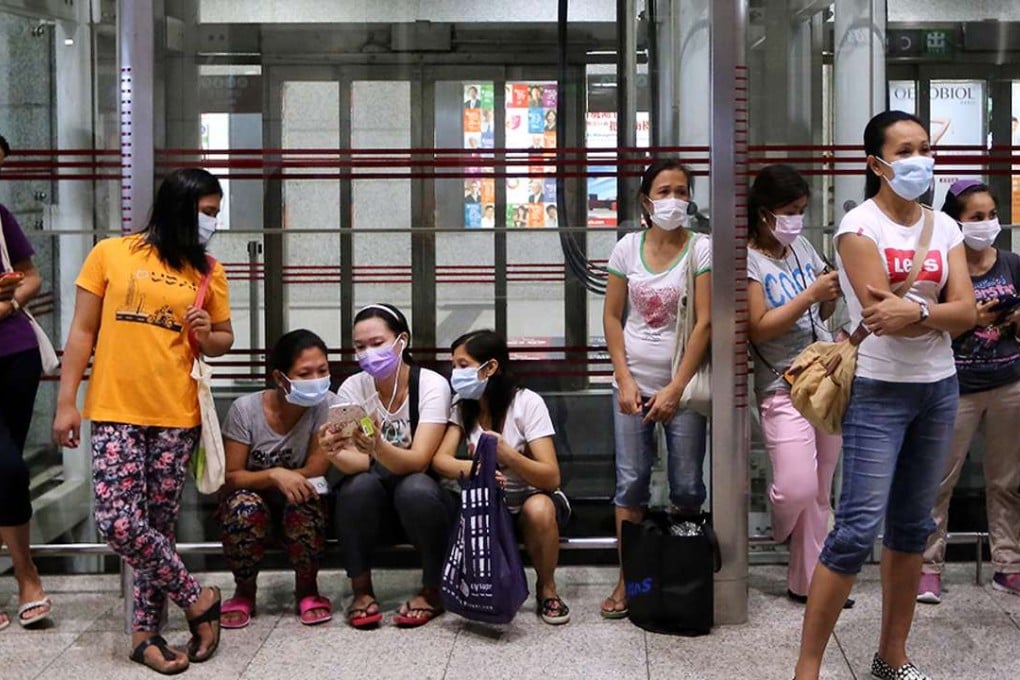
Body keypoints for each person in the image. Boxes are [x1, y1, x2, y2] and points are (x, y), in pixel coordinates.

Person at [794, 111, 975, 680]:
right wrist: (933, 313)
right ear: (876, 163)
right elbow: (880, 316)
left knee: (912, 527)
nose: (919, 159)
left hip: (938, 389)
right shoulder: (858, 226)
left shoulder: (945, 228)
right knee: (855, 527)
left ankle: (890, 657)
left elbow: (965, 313)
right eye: (905, 150)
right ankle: (808, 667)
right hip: (877, 388)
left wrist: (920, 310)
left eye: (924, 147)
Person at [53, 168, 234, 675]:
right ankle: (199, 598)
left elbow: (224, 338)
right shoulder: (112, 253)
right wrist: (68, 401)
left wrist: (205, 332)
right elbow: (83, 332)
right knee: (118, 523)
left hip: (176, 412)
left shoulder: (208, 271)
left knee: (156, 527)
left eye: (215, 215)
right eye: (207, 213)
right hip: (114, 408)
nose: (212, 225)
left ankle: (144, 634)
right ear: (179, 207)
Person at [600, 159, 711, 619]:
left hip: (680, 390)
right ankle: (631, 579)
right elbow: (611, 316)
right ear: (646, 201)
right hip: (630, 387)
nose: (674, 200)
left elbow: (706, 322)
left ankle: (682, 575)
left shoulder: (702, 249)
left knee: (687, 488)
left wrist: (675, 388)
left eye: (681, 191)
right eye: (664, 192)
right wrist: (625, 380)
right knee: (631, 485)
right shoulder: (627, 248)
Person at [746, 164, 850, 608]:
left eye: (802, 211)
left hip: (825, 378)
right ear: (765, 213)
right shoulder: (747, 259)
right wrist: (808, 295)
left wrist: (828, 297)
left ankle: (810, 582)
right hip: (782, 384)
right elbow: (760, 327)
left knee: (821, 489)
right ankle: (778, 527)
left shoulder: (803, 248)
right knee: (796, 486)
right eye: (790, 211)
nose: (797, 221)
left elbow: (819, 319)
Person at [319, 303, 453, 629]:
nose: (368, 354)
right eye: (360, 346)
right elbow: (357, 463)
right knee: (357, 486)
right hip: (374, 499)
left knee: (415, 488)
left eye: (377, 343)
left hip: (424, 499)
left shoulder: (432, 385)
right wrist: (333, 453)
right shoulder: (354, 388)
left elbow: (419, 459)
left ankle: (432, 590)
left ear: (401, 341)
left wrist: (378, 446)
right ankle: (361, 591)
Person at [917, 180, 1020, 604]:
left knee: (1006, 481)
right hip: (955, 386)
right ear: (956, 222)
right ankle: (926, 567)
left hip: (1008, 384)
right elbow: (930, 323)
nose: (987, 224)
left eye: (991, 215)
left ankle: (1008, 564)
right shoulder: (945, 267)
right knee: (939, 481)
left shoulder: (1012, 263)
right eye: (976, 217)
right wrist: (969, 318)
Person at [432, 330, 571, 625]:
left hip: (530, 497)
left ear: (490, 367)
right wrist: (477, 468)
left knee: (540, 509)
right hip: (487, 503)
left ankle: (547, 588)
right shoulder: (463, 404)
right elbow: (440, 460)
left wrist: (509, 456)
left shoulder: (526, 403)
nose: (456, 373)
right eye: (454, 366)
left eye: (463, 365)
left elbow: (551, 476)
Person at [219, 329, 337, 629]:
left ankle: (308, 588)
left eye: (322, 370)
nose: (315, 379)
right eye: (304, 373)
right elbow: (231, 477)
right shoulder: (244, 410)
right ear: (280, 377)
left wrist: (289, 479)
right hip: (252, 495)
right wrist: (274, 475)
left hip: (298, 495)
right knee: (243, 507)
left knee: (306, 496)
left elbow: (315, 468)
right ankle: (245, 590)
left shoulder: (328, 406)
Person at [0, 133, 52, 632]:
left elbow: (30, 275)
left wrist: (10, 303)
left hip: (14, 353)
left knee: (6, 468)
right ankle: (27, 575)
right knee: (8, 469)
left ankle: (24, 575)